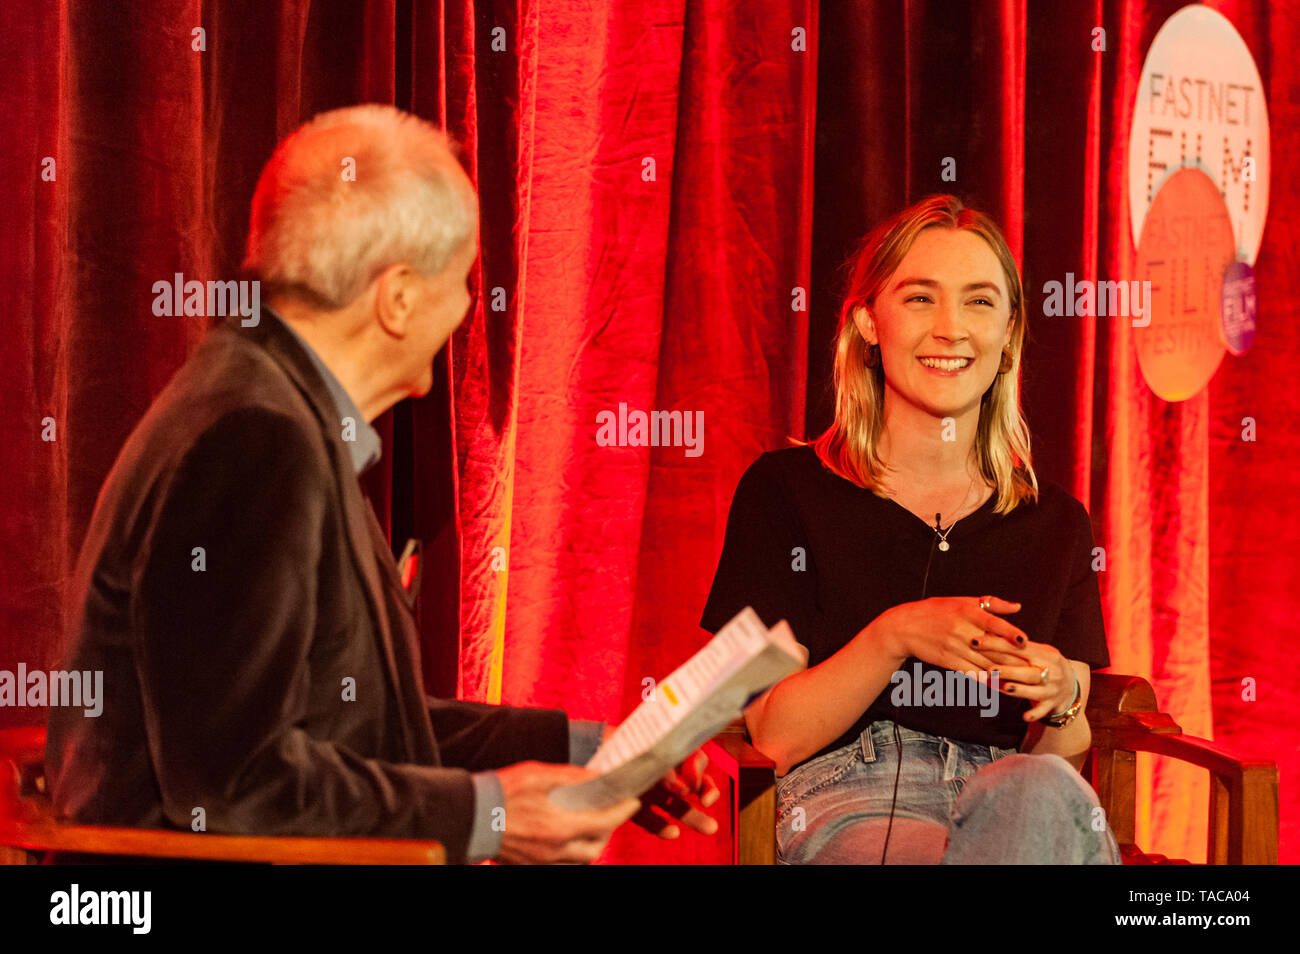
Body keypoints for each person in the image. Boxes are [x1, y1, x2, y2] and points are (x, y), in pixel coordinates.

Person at [45, 104, 717, 865]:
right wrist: (490, 815)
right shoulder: (254, 440)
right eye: (463, 280)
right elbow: (231, 784)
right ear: (397, 299)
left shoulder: (273, 406)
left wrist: (599, 750)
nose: (468, 307)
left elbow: (359, 724)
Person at [700, 194, 1121, 864]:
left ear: (1009, 330)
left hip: (1014, 804)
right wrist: (896, 635)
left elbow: (1060, 765)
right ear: (869, 320)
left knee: (1038, 790)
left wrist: (1066, 694)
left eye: (980, 301)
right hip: (851, 798)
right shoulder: (785, 492)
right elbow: (773, 735)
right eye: (921, 298)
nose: (952, 328)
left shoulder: (1056, 522)